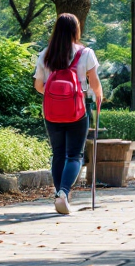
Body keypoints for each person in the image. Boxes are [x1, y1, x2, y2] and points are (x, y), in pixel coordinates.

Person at [34, 13, 103, 215]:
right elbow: (94, 82)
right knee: (74, 155)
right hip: (77, 111)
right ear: (76, 30)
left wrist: (55, 95)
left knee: (58, 154)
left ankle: (58, 194)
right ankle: (64, 193)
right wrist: (98, 96)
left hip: (52, 113)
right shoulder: (86, 53)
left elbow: (39, 86)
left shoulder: (45, 54)